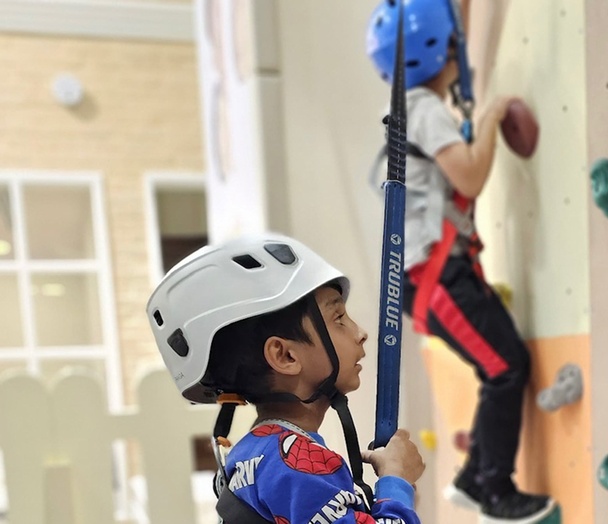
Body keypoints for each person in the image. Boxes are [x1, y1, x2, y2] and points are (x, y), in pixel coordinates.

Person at [366, 1, 556, 523]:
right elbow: (469, 176)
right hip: (437, 278)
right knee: (505, 366)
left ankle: (475, 477)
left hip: (441, 274)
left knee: (502, 363)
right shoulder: (423, 109)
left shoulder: (416, 107)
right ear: (444, 49)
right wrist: (491, 116)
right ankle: (492, 488)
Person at [146, 233, 424, 523]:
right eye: (338, 318)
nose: (360, 333)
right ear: (285, 356)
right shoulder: (297, 467)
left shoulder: (254, 456)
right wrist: (396, 482)